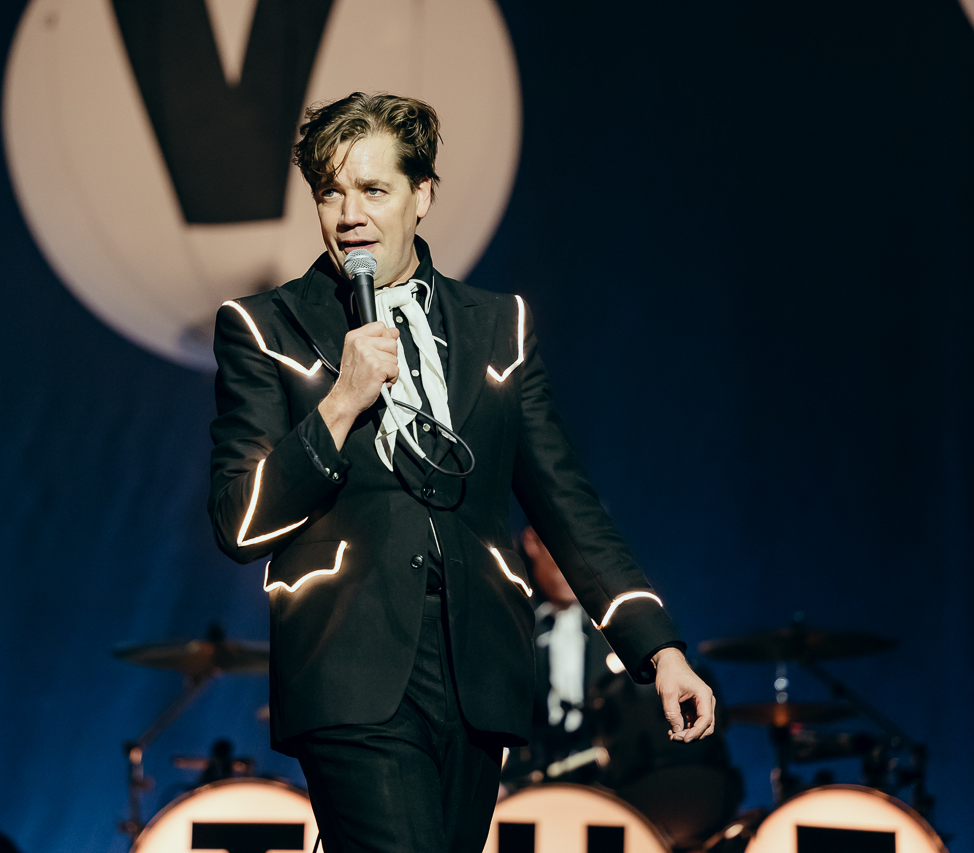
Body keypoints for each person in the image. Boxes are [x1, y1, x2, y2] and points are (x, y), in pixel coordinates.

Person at [208, 92, 714, 853]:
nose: (350, 214)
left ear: (422, 195)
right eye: (331, 192)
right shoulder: (265, 326)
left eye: (373, 189)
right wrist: (340, 403)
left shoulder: (497, 326)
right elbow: (239, 521)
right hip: (349, 665)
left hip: (479, 670)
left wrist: (659, 648)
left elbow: (567, 504)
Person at [500, 526, 617, 791]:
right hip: (518, 784)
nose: (579, 567)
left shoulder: (611, 627)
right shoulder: (506, 615)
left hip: (598, 785)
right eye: (567, 553)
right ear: (532, 541)